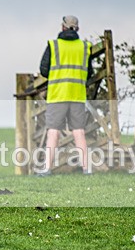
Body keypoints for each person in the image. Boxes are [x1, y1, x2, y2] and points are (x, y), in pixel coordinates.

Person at [37, 15, 93, 175]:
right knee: (79, 132)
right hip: (77, 95)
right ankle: (86, 169)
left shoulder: (53, 45)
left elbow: (44, 70)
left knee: (53, 131)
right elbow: (89, 73)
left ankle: (47, 168)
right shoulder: (84, 47)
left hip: (57, 95)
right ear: (78, 29)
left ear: (62, 27)